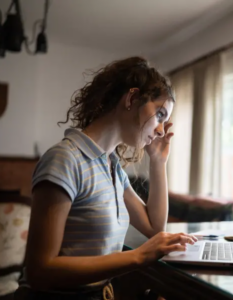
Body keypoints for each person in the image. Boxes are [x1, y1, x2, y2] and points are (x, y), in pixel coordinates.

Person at [16, 57, 197, 300]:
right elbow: (40, 271)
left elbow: (155, 228)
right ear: (132, 99)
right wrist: (138, 256)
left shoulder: (111, 165)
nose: (162, 130)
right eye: (160, 115)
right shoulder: (65, 159)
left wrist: (158, 162)